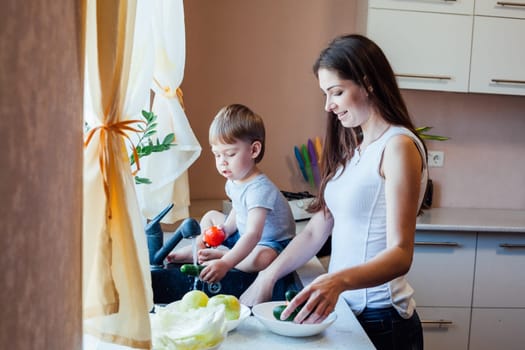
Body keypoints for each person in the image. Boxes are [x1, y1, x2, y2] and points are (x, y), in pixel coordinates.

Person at [240, 34, 427, 350]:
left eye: (336, 92)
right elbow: (315, 233)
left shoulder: (398, 147)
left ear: (367, 83)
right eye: (326, 94)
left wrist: (336, 281)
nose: (328, 106)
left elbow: (400, 254)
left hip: (383, 319)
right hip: (347, 312)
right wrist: (266, 277)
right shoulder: (355, 151)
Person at [167, 103, 296, 284]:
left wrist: (226, 262)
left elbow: (253, 234)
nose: (222, 162)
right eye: (217, 155)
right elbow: (238, 208)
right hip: (243, 234)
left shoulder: (260, 189)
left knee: (261, 259)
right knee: (210, 216)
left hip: (270, 243)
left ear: (254, 150)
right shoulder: (234, 181)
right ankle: (199, 250)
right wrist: (227, 228)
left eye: (229, 154)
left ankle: (222, 255)